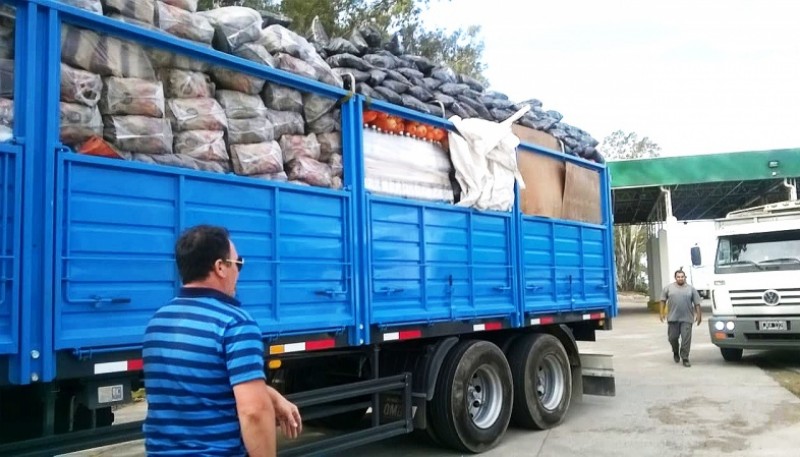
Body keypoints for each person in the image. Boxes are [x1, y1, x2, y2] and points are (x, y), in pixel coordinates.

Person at [143, 224, 302, 457]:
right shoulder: (234, 323)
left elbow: (201, 384)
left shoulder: (158, 321)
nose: (239, 272)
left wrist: (269, 393)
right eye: (238, 264)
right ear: (220, 267)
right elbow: (254, 413)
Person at [659, 269, 702, 367]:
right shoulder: (668, 288)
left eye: (682, 277)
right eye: (678, 277)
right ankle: (675, 351)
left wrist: (699, 315)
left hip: (687, 318)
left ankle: (685, 357)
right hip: (673, 318)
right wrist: (661, 313)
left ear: (685, 277)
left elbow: (697, 303)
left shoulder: (691, 289)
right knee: (672, 338)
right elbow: (662, 300)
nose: (680, 278)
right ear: (675, 278)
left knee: (686, 339)